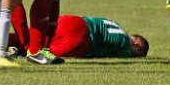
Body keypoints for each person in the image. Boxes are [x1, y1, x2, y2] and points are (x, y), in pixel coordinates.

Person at [9, 15, 148, 59]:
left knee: (32, 36)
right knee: (39, 52)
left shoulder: (115, 25)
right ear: (137, 44)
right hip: (80, 40)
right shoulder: (123, 43)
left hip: (73, 21)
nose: (134, 56)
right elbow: (126, 53)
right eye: (137, 54)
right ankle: (16, 51)